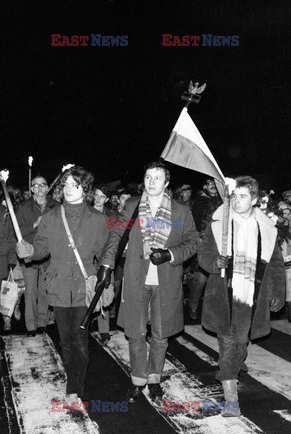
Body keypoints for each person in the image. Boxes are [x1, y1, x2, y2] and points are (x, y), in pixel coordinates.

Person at [16, 166, 120, 400]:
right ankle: (73, 373)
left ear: (85, 189)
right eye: (66, 185)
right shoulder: (51, 217)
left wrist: (107, 277)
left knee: (79, 338)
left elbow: (107, 252)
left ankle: (74, 388)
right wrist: (29, 250)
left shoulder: (97, 219)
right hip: (59, 286)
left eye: (75, 185)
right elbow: (42, 248)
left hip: (85, 287)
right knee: (65, 340)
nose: (69, 189)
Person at [198, 176, 285, 417]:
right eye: (234, 196)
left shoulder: (266, 230)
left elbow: (276, 264)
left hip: (253, 297)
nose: (237, 201)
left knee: (241, 341)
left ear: (255, 200)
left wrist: (277, 292)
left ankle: (233, 365)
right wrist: (215, 262)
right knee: (228, 343)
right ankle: (231, 399)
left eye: (243, 196)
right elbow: (203, 254)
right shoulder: (218, 225)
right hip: (224, 296)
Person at [117, 161, 199, 403]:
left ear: (166, 183)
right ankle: (137, 380)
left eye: (157, 178)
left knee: (161, 336)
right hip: (136, 279)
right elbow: (116, 236)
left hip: (166, 280)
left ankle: (154, 379)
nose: (151, 182)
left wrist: (170, 254)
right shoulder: (132, 206)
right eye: (148, 177)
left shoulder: (180, 210)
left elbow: (193, 241)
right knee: (136, 333)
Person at [16, 175, 59, 336]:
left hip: (48, 256)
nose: (40, 188)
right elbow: (17, 232)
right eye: (36, 185)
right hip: (30, 255)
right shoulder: (23, 207)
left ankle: (42, 323)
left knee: (44, 291)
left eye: (43, 185)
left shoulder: (56, 206)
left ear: (47, 187)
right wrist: (34, 225)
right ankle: (31, 326)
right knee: (30, 292)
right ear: (32, 188)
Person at [187, 178, 222, 320]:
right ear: (205, 187)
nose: (213, 186)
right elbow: (194, 223)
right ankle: (192, 305)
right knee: (200, 279)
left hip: (220, 244)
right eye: (209, 184)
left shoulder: (224, 202)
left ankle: (213, 311)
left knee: (217, 279)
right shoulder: (200, 202)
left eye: (215, 184)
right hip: (204, 243)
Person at [92, 184, 116, 343]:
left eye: (102, 196)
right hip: (89, 259)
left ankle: (104, 329)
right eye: (96, 195)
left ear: (107, 199)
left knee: (105, 292)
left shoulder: (112, 216)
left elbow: (117, 237)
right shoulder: (85, 212)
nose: (98, 199)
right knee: (87, 293)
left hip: (106, 259)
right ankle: (84, 324)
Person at [0, 195, 18, 332]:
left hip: (5, 260)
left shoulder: (12, 217)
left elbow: (12, 240)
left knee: (6, 291)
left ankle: (7, 318)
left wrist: (12, 260)